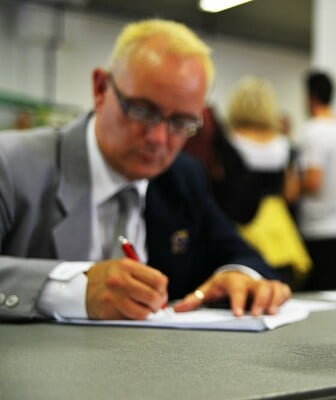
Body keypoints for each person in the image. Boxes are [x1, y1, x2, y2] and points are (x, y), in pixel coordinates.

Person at [0, 19, 290, 321]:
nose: (158, 139)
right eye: (141, 110)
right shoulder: (12, 165)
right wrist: (72, 289)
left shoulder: (183, 178)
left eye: (180, 123)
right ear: (100, 89)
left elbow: (241, 254)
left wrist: (239, 276)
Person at [210, 76, 311, 290]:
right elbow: (291, 193)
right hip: (278, 227)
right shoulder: (284, 145)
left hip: (238, 222)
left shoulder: (227, 141)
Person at [297, 70, 336, 290]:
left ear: (310, 96)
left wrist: (291, 186)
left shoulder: (312, 131)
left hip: (318, 231)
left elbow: (313, 182)